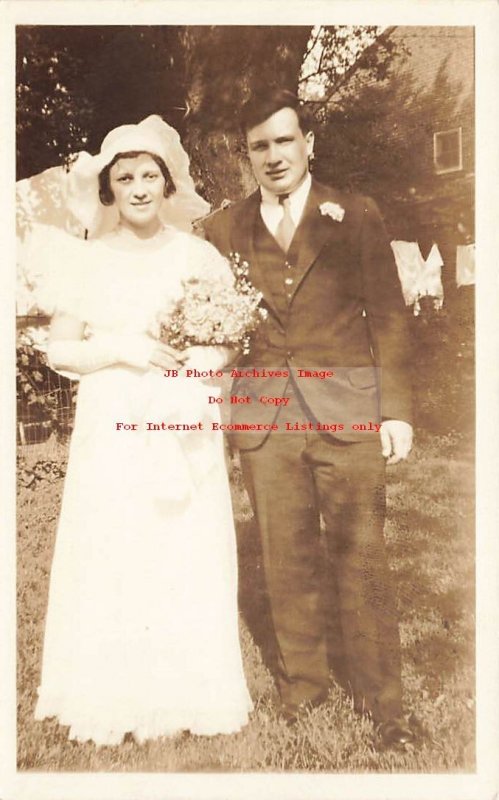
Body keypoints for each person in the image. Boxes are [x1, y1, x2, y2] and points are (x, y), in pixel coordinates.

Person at [204, 90, 416, 748]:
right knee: (284, 556)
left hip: (347, 410)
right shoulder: (222, 229)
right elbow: (210, 321)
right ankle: (303, 686)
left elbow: (388, 316)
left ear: (308, 144)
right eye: (259, 146)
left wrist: (395, 411)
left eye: (284, 141)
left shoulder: (355, 214)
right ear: (247, 155)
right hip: (264, 415)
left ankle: (383, 702)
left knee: (361, 555)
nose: (273, 156)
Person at [31, 115, 252, 746]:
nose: (137, 188)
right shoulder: (87, 259)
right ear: (108, 188)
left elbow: (230, 334)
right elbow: (60, 349)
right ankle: (114, 693)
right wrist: (126, 348)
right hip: (114, 419)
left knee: (183, 543)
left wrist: (201, 369)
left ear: (167, 182)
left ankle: (189, 693)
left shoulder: (198, 255)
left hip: (182, 419)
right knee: (118, 544)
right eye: (124, 178)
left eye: (148, 175)